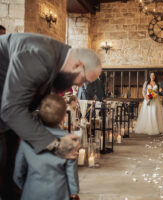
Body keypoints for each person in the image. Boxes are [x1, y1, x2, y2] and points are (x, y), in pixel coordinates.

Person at [0, 33, 101, 200]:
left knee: (10, 166)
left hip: (7, 112)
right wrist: (55, 144)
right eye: (84, 80)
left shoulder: (56, 59)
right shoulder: (39, 56)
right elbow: (11, 109)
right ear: (78, 64)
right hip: (6, 111)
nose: (81, 85)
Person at [13, 94, 79, 200]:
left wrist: (25, 187)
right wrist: (73, 192)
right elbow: (71, 174)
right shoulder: (69, 140)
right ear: (63, 117)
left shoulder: (28, 139)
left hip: (31, 192)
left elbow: (18, 173)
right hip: (59, 194)